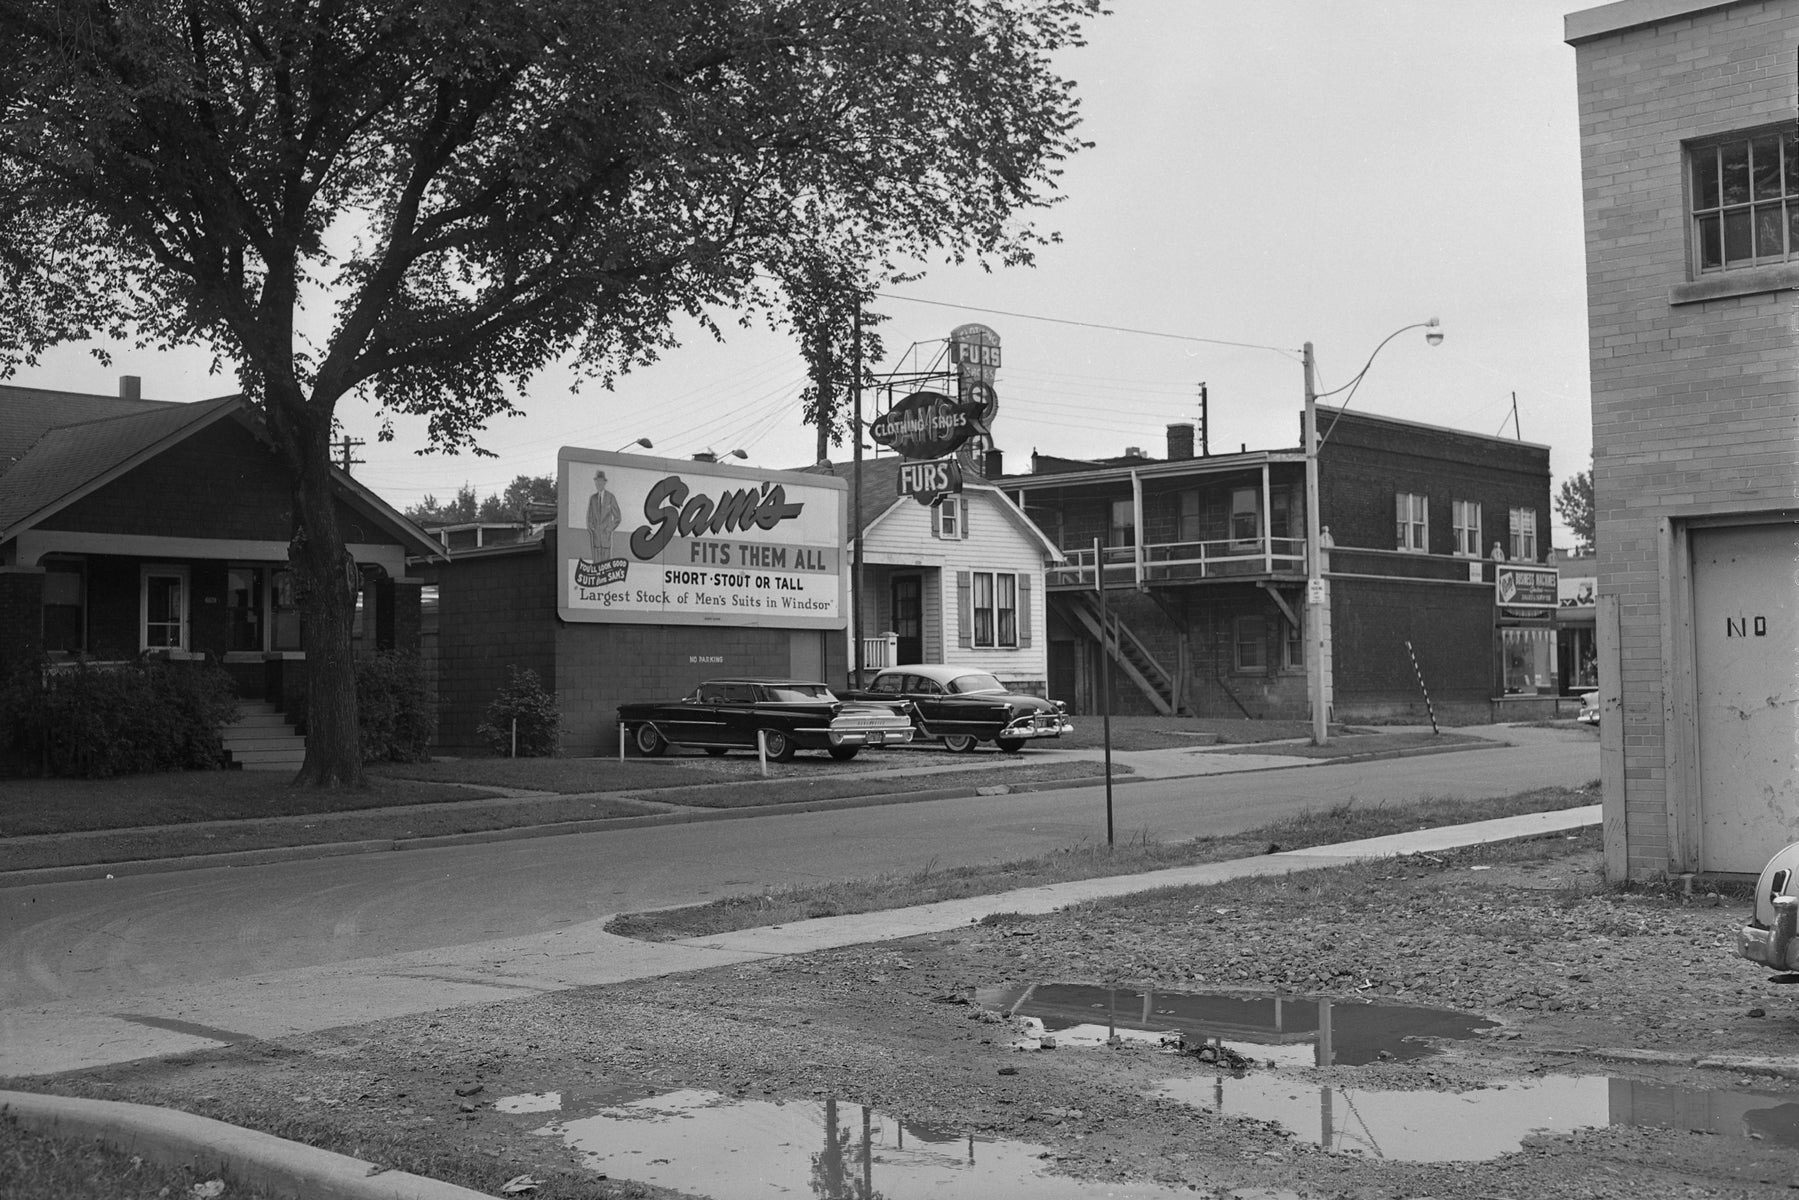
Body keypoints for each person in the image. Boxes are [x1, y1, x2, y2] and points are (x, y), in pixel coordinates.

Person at [586, 469, 621, 560]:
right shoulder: (593, 499)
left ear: (604, 483)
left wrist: (609, 528)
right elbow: (589, 517)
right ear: (595, 483)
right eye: (597, 481)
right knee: (596, 566)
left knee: (605, 567)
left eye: (601, 481)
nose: (599, 484)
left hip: (606, 539)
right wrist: (592, 528)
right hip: (596, 539)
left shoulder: (610, 497)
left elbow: (618, 517)